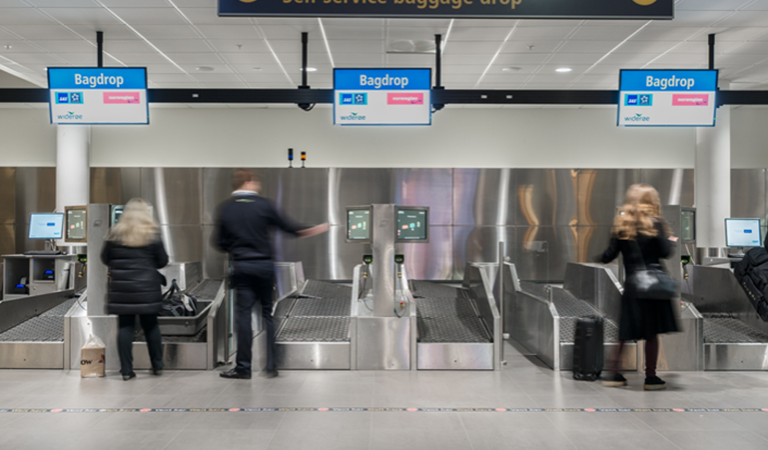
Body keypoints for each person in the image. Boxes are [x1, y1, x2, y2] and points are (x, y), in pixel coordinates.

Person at [213, 169, 329, 380]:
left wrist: (235, 246)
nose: (258, 185)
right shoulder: (264, 205)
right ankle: (271, 365)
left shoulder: (226, 209)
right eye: (256, 181)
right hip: (264, 267)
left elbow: (218, 242)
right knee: (268, 315)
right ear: (248, 182)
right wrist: (318, 229)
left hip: (242, 267)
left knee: (243, 317)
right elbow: (290, 229)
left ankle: (243, 368)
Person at [597, 184, 679, 391]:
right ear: (652, 201)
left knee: (625, 332)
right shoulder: (657, 223)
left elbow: (609, 255)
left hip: (633, 285)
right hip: (653, 286)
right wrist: (671, 239)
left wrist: (597, 258)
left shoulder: (622, 225)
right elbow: (665, 251)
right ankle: (650, 377)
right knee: (651, 334)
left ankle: (614, 373)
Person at [101, 198, 169, 381]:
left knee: (125, 327)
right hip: (147, 288)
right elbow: (163, 261)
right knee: (151, 326)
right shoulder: (152, 234)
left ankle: (126, 370)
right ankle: (157, 365)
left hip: (122, 288)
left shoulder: (114, 235)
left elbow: (105, 259)